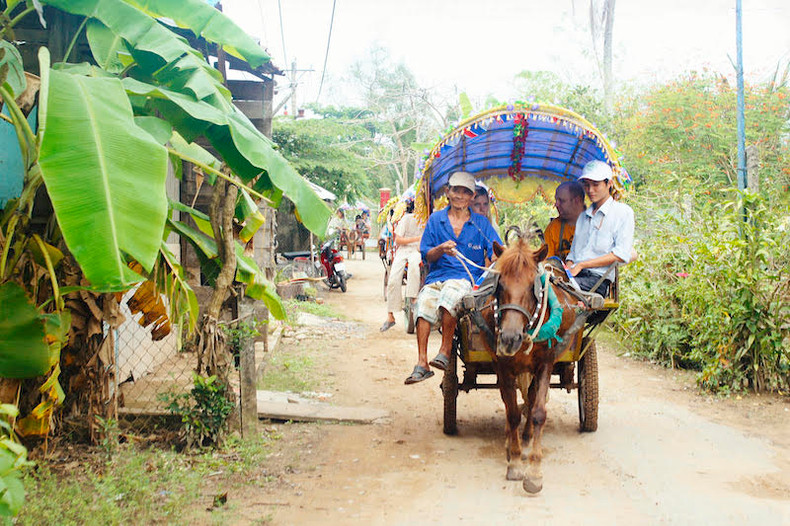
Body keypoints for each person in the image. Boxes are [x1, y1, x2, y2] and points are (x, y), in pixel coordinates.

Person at [404, 171, 501, 385]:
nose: (460, 196)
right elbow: (427, 255)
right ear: (448, 192)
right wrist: (440, 249)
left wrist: (497, 256)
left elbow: (496, 250)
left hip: (466, 279)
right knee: (423, 303)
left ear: (472, 196)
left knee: (451, 295)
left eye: (465, 192)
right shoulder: (435, 220)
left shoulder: (481, 223)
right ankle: (422, 363)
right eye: (456, 190)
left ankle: (445, 350)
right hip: (437, 277)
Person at [566, 161, 635, 297]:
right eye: (587, 185)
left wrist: (582, 265)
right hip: (575, 276)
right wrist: (567, 271)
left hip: (597, 280)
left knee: (555, 291)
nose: (590, 190)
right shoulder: (583, 217)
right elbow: (573, 255)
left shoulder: (623, 212)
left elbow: (620, 254)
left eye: (596, 184)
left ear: (609, 184)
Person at [380, 199, 424, 332]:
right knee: (393, 279)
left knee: (414, 267)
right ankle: (390, 315)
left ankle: (413, 298)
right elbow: (398, 240)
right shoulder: (406, 219)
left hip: (418, 251)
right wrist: (417, 239)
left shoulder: (427, 221)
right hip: (403, 250)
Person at [544, 181, 586, 261]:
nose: (556, 204)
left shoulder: (596, 223)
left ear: (577, 201)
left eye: (562, 201)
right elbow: (547, 262)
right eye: (556, 200)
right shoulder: (553, 228)